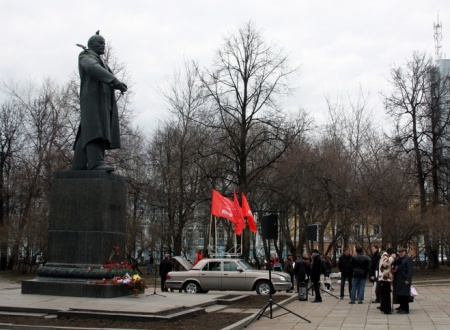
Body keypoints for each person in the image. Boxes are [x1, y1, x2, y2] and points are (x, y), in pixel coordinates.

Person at [72, 31, 128, 171]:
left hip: (101, 101)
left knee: (88, 128)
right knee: (95, 128)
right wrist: (114, 80)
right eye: (100, 43)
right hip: (93, 99)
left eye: (104, 43)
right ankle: (96, 162)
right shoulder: (86, 55)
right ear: (91, 45)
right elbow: (92, 67)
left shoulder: (99, 60)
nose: (103, 45)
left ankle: (79, 164)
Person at [393, 247, 413, 314]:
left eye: (402, 252)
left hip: (404, 279)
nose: (401, 253)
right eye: (399, 252)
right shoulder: (399, 259)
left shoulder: (408, 259)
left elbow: (410, 270)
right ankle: (401, 307)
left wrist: (408, 279)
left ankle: (405, 309)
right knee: (400, 294)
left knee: (404, 295)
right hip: (398, 279)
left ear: (405, 252)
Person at [378, 249, 396, 314]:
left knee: (384, 295)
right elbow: (384, 265)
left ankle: (383, 308)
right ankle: (387, 309)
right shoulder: (386, 256)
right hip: (385, 278)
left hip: (383, 278)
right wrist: (391, 259)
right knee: (386, 295)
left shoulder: (383, 256)